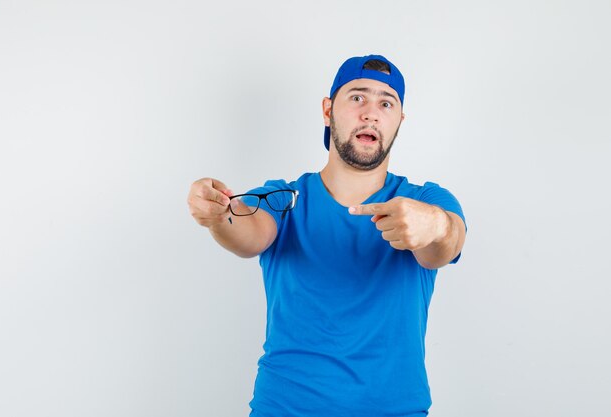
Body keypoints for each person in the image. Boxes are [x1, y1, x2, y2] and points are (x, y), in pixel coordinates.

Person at [187, 54, 467, 417]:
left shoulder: (425, 201)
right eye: (357, 97)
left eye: (386, 103)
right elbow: (248, 234)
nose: (371, 113)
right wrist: (217, 214)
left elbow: (447, 244)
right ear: (327, 110)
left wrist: (435, 226)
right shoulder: (283, 199)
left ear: (399, 120)